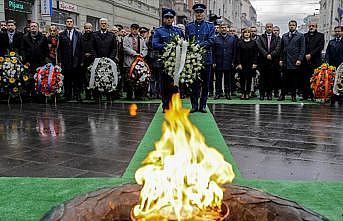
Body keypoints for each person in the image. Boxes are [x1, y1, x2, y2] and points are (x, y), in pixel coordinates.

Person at [152, 8, 183, 112]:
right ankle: (165, 105)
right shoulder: (159, 31)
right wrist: (168, 46)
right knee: (164, 85)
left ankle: (174, 104)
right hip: (164, 62)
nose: (169, 19)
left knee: (175, 84)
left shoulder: (178, 31)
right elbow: (154, 44)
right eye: (167, 17)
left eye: (171, 18)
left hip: (177, 62)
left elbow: (183, 43)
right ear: (163, 19)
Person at [186, 3, 215, 113]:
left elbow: (211, 40)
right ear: (194, 13)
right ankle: (194, 105)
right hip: (193, 60)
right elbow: (187, 40)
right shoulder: (189, 26)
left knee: (206, 84)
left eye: (201, 12)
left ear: (204, 13)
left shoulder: (210, 26)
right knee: (194, 83)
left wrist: (198, 45)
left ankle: (203, 105)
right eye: (197, 12)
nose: (199, 14)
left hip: (206, 58)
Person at [57, 17, 83, 101]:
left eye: (70, 22)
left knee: (76, 79)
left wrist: (81, 60)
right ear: (65, 23)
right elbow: (59, 49)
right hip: (66, 60)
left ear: (73, 23)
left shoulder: (78, 34)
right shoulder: (61, 34)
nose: (69, 23)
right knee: (67, 79)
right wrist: (60, 61)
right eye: (67, 22)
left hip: (76, 60)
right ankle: (68, 95)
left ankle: (77, 94)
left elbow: (81, 48)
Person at [279, 20, 305, 102]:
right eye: (290, 25)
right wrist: (281, 59)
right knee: (284, 80)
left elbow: (302, 49)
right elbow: (281, 49)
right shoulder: (284, 36)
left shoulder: (300, 36)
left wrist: (299, 59)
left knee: (294, 80)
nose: (291, 26)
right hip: (286, 61)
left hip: (295, 61)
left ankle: (293, 96)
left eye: (293, 25)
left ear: (296, 26)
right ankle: (282, 95)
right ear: (288, 26)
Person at [256, 23, 281, 100]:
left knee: (270, 78)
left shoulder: (277, 38)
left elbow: (278, 48)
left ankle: (269, 94)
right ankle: (262, 94)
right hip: (263, 61)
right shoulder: (260, 37)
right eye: (268, 27)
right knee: (262, 78)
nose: (269, 28)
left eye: (270, 27)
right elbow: (259, 47)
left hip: (273, 61)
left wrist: (271, 55)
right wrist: (266, 54)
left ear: (272, 28)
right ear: (265, 28)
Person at [123, 23, 148, 99]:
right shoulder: (126, 38)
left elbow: (145, 48)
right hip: (129, 61)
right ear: (131, 29)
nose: (135, 30)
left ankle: (138, 95)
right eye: (133, 29)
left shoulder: (141, 38)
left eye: (136, 29)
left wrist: (142, 54)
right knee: (129, 78)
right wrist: (135, 54)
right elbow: (125, 48)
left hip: (139, 62)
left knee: (138, 78)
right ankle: (129, 95)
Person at [301, 22, 324, 101]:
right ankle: (305, 95)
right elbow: (302, 47)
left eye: (313, 26)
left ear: (316, 27)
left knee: (315, 79)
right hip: (305, 61)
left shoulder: (321, 36)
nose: (311, 27)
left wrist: (311, 54)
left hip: (315, 61)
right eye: (310, 26)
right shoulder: (304, 36)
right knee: (305, 79)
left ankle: (314, 95)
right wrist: (305, 55)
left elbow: (320, 47)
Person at [213, 23, 236, 100]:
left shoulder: (232, 38)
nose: (223, 29)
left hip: (228, 61)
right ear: (219, 29)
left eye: (225, 27)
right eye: (222, 27)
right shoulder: (216, 38)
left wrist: (233, 61)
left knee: (228, 79)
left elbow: (234, 51)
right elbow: (213, 51)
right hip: (218, 61)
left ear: (227, 29)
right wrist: (214, 62)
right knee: (218, 79)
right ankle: (218, 93)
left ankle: (227, 93)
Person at [235, 28, 258, 100]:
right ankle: (242, 93)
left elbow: (255, 54)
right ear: (243, 34)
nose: (247, 34)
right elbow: (237, 54)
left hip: (250, 64)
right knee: (242, 79)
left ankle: (247, 93)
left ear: (250, 34)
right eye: (245, 32)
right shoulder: (239, 42)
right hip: (242, 64)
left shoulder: (253, 42)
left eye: (248, 32)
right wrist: (238, 63)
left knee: (249, 79)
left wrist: (255, 63)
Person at [82, 23, 95, 100]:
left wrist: (91, 54)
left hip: (92, 59)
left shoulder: (95, 37)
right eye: (86, 28)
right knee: (85, 78)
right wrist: (84, 54)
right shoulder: (82, 37)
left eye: (89, 28)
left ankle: (93, 93)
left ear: (92, 28)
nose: (88, 30)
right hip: (84, 60)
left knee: (92, 77)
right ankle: (87, 94)